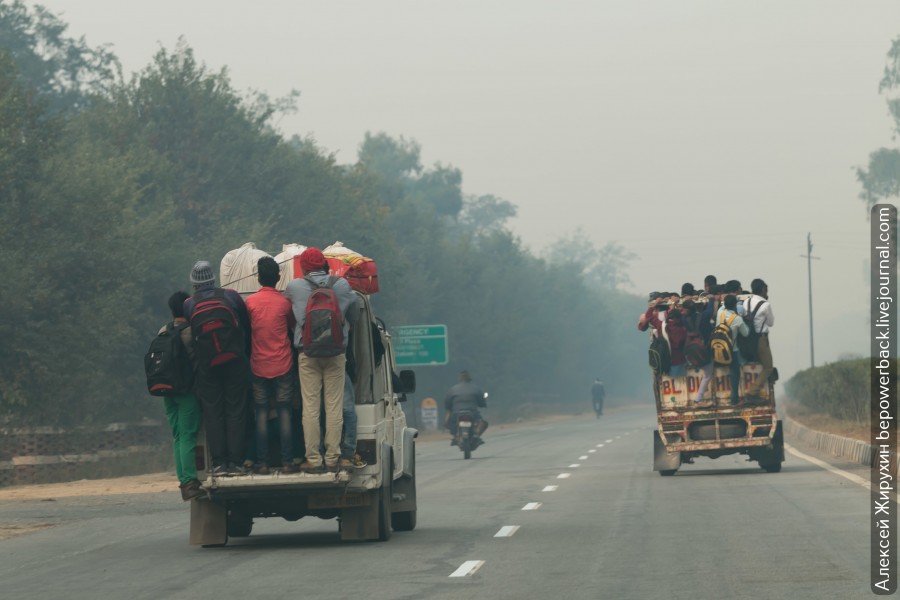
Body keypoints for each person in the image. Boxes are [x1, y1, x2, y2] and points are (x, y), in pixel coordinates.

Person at [284, 247, 359, 473]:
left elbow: (288, 316)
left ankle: (314, 460)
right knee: (334, 407)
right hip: (336, 353)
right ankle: (333, 457)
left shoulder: (294, 286)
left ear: (304, 267)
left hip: (307, 354)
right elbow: (354, 315)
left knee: (311, 407)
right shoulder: (342, 286)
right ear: (325, 264)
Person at [183, 260, 251, 475]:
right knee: (235, 409)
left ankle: (220, 463)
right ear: (213, 278)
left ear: (194, 283)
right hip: (234, 361)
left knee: (213, 412)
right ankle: (236, 463)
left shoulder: (189, 304)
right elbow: (246, 326)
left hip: (207, 366)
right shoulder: (230, 296)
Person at [245, 257, 297, 474]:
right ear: (278, 278)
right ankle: (287, 462)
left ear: (258, 278)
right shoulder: (285, 304)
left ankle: (262, 463)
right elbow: (292, 328)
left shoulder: (250, 304)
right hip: (283, 364)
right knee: (285, 411)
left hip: (258, 365)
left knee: (261, 413)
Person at [160, 291, 204, 501]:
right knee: (188, 436)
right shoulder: (191, 332)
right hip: (187, 392)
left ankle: (183, 479)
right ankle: (189, 481)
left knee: (177, 436)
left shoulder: (163, 331)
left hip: (167, 391)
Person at [744, 278, 775, 402]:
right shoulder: (765, 305)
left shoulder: (746, 301)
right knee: (768, 367)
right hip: (761, 339)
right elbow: (771, 323)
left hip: (747, 339)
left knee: (751, 364)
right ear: (763, 290)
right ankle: (752, 392)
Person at [716, 294, 749, 405]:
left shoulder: (720, 313)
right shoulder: (738, 319)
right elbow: (746, 333)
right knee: (735, 373)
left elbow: (722, 306)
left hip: (718, 349)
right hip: (732, 351)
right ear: (735, 305)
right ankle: (734, 399)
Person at [444, 370, 488, 443]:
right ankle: (476, 435)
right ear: (469, 379)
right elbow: (482, 403)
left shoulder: (452, 389)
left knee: (451, 423)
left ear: (460, 379)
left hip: (457, 413)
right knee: (482, 423)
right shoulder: (476, 388)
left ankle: (456, 436)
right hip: (472, 413)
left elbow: (447, 403)